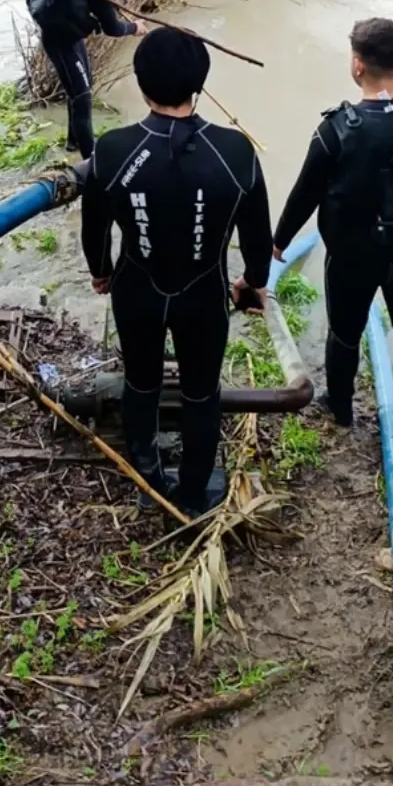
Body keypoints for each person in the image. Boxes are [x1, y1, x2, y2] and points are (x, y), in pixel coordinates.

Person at [81, 27, 272, 516]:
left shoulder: (112, 148)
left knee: (141, 380)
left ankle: (146, 471)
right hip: (204, 292)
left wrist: (101, 271)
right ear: (199, 84)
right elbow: (256, 239)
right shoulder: (236, 152)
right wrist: (250, 282)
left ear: (141, 84)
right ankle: (193, 490)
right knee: (201, 391)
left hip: (137, 288)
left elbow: (95, 227)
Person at [272, 17, 393, 445]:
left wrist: (279, 241)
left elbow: (304, 194)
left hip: (351, 258)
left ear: (357, 65)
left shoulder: (336, 130)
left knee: (344, 332)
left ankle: (340, 407)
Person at [25, 0, 148, 159]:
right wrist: (135, 28)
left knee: (83, 86)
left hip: (68, 32)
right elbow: (112, 28)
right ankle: (90, 161)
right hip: (59, 37)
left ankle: (74, 142)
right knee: (82, 97)